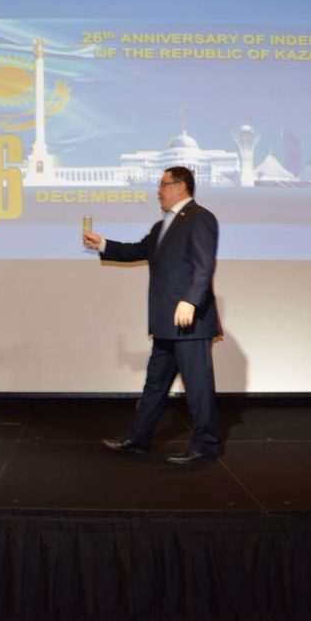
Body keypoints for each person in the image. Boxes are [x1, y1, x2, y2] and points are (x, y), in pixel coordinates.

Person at [83, 166, 222, 464]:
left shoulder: (200, 217)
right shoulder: (162, 226)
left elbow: (204, 265)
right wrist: (103, 244)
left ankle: (206, 445)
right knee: (155, 385)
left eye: (163, 185)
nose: (158, 191)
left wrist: (191, 301)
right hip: (165, 322)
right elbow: (138, 250)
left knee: (197, 386)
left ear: (180, 186)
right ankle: (138, 439)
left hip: (189, 321)